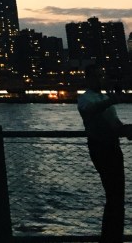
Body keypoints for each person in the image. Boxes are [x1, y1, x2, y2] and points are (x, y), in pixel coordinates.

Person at [77, 63, 132, 243]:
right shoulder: (85, 98)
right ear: (88, 78)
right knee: (114, 195)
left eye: (102, 75)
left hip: (112, 147)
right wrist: (112, 100)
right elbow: (89, 112)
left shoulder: (103, 99)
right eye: (97, 75)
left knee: (117, 196)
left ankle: (112, 237)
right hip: (101, 148)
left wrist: (127, 130)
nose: (101, 78)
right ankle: (110, 238)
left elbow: (115, 125)